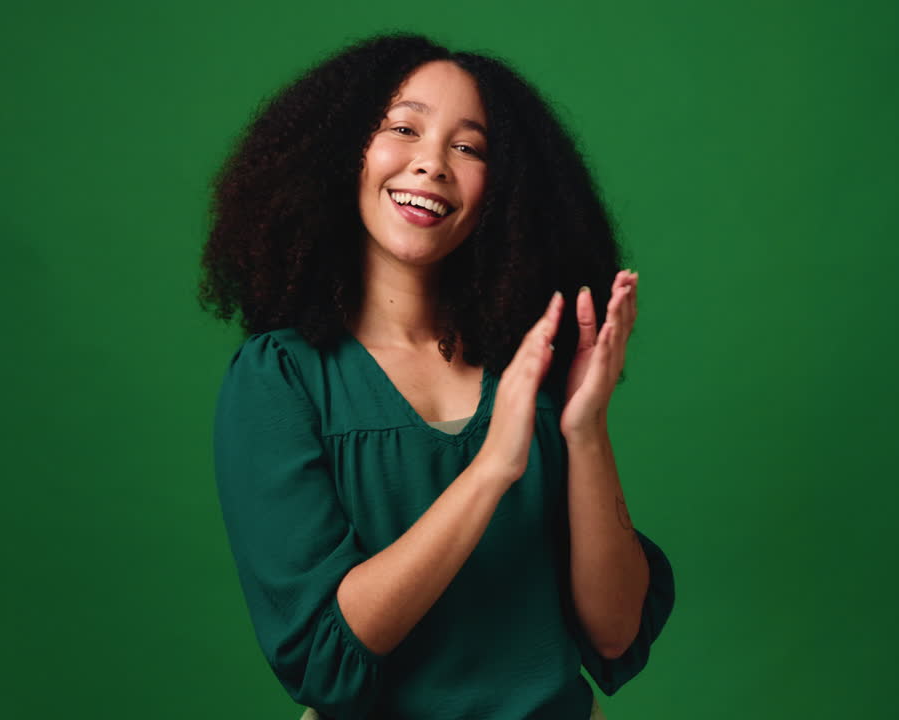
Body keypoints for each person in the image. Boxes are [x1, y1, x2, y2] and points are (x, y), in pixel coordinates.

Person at [200, 33, 675, 720]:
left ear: (503, 192)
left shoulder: (531, 368)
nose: (432, 164)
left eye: (469, 147)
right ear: (343, 153)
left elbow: (615, 632)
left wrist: (585, 427)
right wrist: (490, 470)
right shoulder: (282, 379)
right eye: (403, 128)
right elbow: (326, 653)